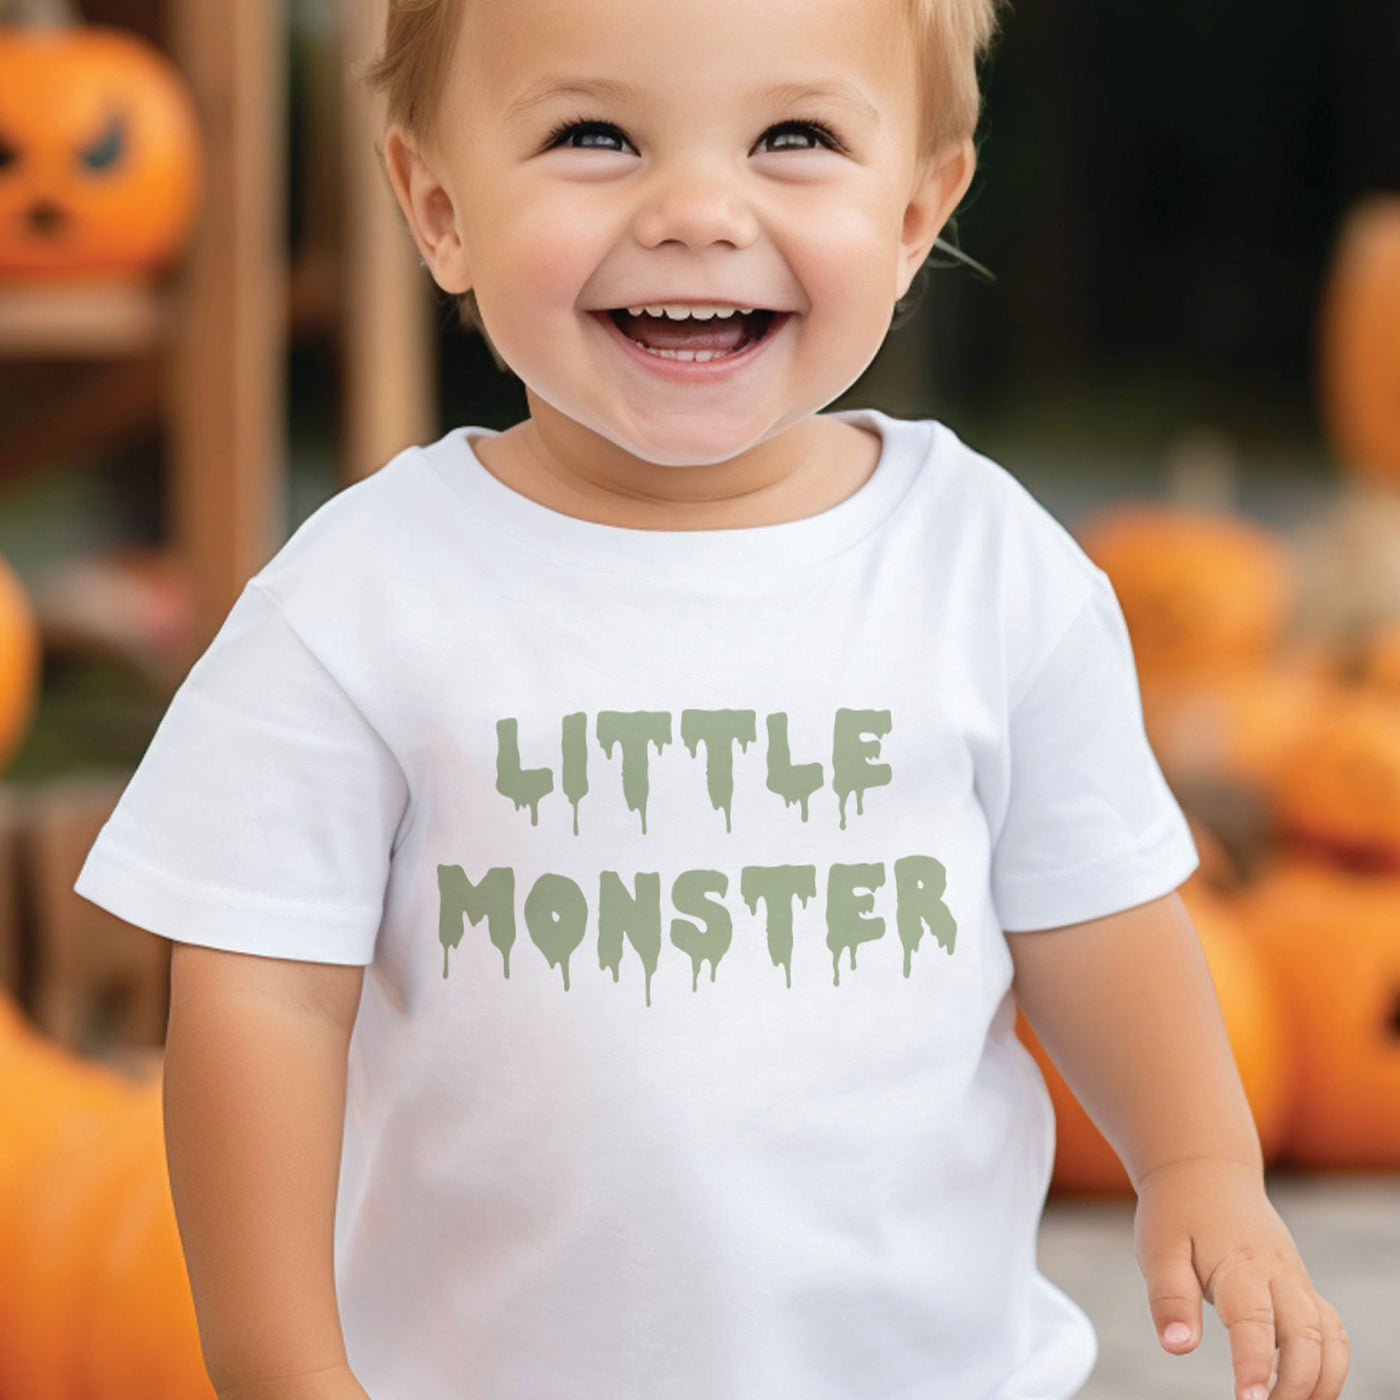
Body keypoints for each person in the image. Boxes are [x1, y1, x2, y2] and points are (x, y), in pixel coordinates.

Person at [73, 0, 1350, 1398]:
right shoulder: (365, 599)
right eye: (593, 135)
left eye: (793, 136)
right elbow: (262, 999)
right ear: (439, 210)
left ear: (919, 209)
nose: (695, 209)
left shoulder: (987, 568)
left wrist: (1199, 1163)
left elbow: (1099, 916)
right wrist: (279, 1364)